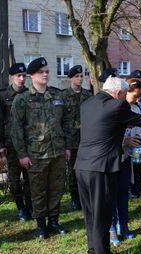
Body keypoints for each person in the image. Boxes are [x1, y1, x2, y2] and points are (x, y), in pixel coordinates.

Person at [74, 76, 141, 254]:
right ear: (117, 93)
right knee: (103, 214)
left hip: (82, 166)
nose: (123, 99)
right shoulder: (117, 106)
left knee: (91, 214)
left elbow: (104, 126)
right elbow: (139, 119)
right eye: (122, 96)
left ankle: (94, 251)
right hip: (101, 168)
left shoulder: (88, 103)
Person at [11, 57, 72, 240]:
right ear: (31, 75)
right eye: (41, 72)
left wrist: (67, 146)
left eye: (47, 71)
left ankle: (54, 221)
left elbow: (67, 122)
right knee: (38, 191)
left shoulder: (57, 96)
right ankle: (41, 225)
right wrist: (22, 154)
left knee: (56, 188)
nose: (45, 74)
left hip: (57, 152)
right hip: (36, 154)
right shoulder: (22, 99)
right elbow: (16, 129)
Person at [0, 62, 32, 221]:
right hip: (11, 145)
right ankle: (21, 208)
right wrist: (0, 144)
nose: (22, 79)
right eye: (18, 76)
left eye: (24, 76)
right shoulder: (3, 96)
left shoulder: (30, 94)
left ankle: (30, 206)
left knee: (30, 178)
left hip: (29, 143)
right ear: (12, 77)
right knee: (15, 179)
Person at [109, 78, 141, 246]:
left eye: (139, 97)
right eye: (134, 96)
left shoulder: (136, 107)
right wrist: (125, 141)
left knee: (123, 193)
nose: (137, 100)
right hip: (111, 158)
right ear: (125, 93)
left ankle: (123, 225)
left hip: (125, 157)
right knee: (111, 195)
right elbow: (107, 135)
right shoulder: (114, 109)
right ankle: (111, 229)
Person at [61, 65, 92, 211]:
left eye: (81, 76)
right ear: (70, 78)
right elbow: (60, 119)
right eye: (76, 76)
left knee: (86, 170)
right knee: (73, 171)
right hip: (70, 140)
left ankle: (85, 196)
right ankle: (75, 199)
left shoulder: (88, 95)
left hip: (86, 139)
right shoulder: (63, 96)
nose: (80, 79)